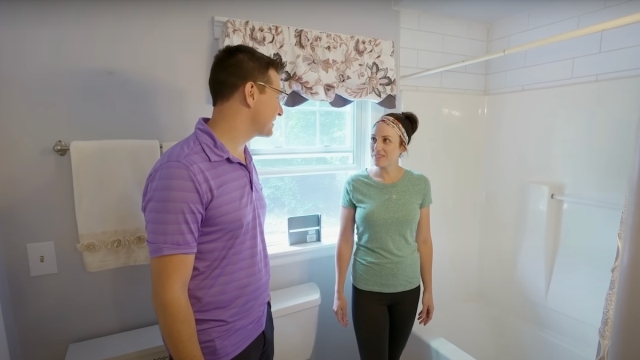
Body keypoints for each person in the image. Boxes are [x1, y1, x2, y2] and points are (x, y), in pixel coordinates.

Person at [142, 44, 288, 360]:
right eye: (278, 95)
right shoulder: (181, 172)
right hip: (219, 348)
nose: (280, 109)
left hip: (261, 325)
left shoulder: (245, 157)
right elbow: (169, 294)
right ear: (251, 92)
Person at [332, 112, 435, 360]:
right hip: (368, 290)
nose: (376, 147)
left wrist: (429, 289)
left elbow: (424, 240)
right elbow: (345, 239)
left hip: (408, 289)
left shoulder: (420, 184)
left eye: (386, 140)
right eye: (373, 139)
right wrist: (338, 291)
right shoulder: (355, 184)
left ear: (403, 146)